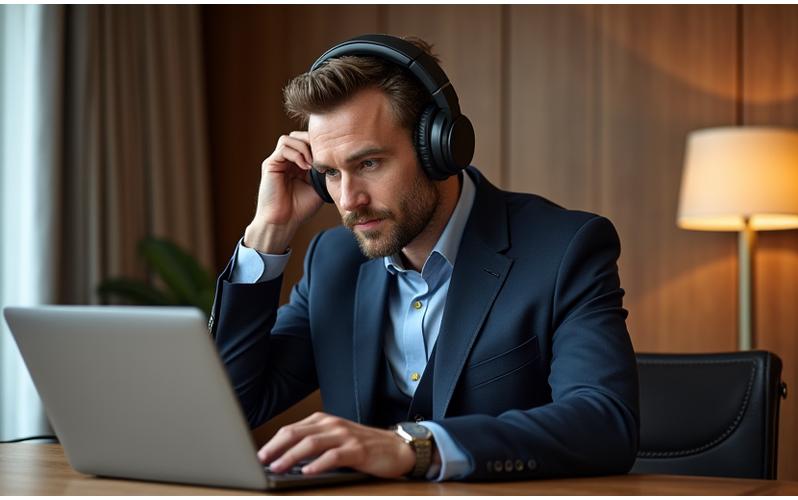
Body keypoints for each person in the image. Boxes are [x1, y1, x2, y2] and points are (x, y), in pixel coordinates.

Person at [209, 34, 639, 482]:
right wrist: (269, 231)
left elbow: (605, 423)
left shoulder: (564, 249)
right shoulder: (333, 261)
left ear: (439, 148)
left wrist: (414, 447)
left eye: (369, 163)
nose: (349, 200)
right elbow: (233, 404)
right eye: (330, 173)